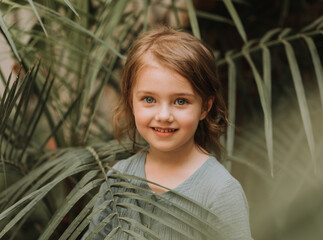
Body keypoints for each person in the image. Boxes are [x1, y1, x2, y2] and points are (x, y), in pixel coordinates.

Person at [83, 26, 252, 240]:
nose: (164, 115)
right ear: (130, 101)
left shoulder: (220, 192)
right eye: (149, 99)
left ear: (205, 107)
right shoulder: (118, 179)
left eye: (180, 101)